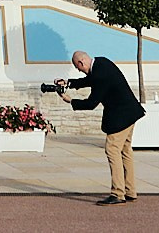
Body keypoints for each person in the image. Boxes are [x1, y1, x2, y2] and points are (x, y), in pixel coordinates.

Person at [61, 50, 146, 205]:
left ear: (81, 62)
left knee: (112, 150)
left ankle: (117, 194)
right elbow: (91, 80)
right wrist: (69, 83)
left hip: (120, 117)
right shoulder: (101, 62)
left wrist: (71, 101)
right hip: (130, 112)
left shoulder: (100, 75)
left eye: (78, 68)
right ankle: (130, 190)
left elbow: (91, 103)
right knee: (125, 151)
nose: (79, 71)